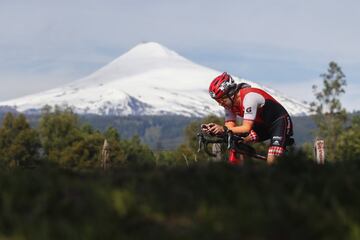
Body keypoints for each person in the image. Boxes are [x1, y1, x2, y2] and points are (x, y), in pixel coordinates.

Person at [202, 72, 294, 165]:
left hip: (278, 123)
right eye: (217, 100)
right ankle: (245, 173)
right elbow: (230, 127)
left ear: (231, 93)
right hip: (261, 126)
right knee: (239, 143)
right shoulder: (229, 104)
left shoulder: (249, 97)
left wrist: (223, 129)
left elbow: (246, 128)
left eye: (221, 99)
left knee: (272, 162)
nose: (220, 103)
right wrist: (217, 131)